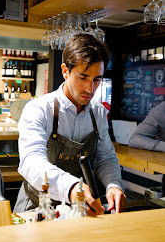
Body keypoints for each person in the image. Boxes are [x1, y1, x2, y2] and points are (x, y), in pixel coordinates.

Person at [14, 34, 126, 215]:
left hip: (79, 209)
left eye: (97, 79)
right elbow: (31, 162)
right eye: (83, 77)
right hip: (37, 206)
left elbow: (105, 158)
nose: (90, 89)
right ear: (65, 71)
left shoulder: (97, 113)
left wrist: (113, 185)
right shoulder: (38, 109)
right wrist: (72, 187)